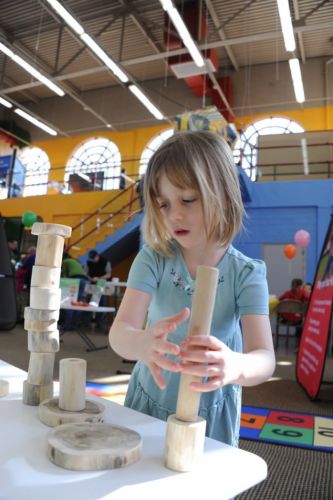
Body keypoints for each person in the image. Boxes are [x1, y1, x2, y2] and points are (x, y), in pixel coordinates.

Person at [109, 131, 275, 446]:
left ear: (224, 196)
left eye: (187, 199)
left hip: (208, 413)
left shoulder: (246, 273)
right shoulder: (153, 259)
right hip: (149, 400)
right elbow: (120, 333)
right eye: (163, 204)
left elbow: (265, 357)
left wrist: (237, 365)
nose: (175, 215)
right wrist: (140, 343)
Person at [61, 252, 90, 330]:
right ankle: (75, 324)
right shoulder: (75, 261)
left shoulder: (65, 261)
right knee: (78, 303)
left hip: (74, 280)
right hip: (84, 280)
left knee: (70, 302)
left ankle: (67, 325)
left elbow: (65, 275)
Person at [85, 249, 112, 331]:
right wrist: (91, 278)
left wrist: (99, 278)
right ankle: (87, 323)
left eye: (94, 258)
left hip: (102, 284)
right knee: (89, 304)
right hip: (91, 285)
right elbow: (85, 273)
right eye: (91, 259)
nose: (93, 260)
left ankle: (101, 324)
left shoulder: (106, 262)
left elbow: (108, 274)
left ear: (98, 256)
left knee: (102, 304)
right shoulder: (88, 263)